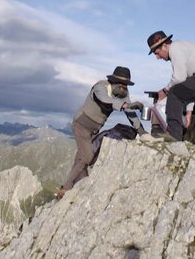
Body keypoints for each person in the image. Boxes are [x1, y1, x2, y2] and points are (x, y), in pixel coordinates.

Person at [56, 66, 144, 199]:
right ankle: (65, 188)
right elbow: (105, 100)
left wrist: (141, 130)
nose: (124, 88)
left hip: (93, 130)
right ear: (113, 82)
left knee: (81, 159)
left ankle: (79, 186)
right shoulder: (100, 88)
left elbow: (130, 112)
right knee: (87, 157)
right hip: (81, 126)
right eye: (121, 84)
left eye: (126, 85)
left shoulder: (122, 94)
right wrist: (125, 105)